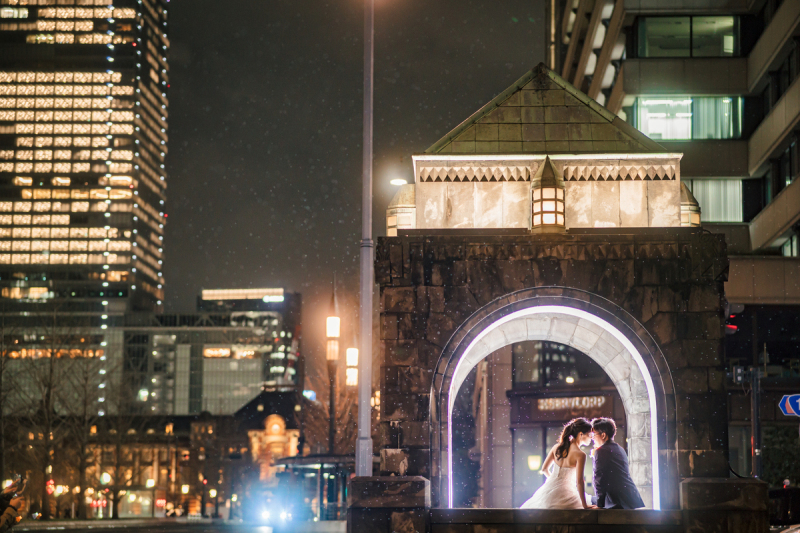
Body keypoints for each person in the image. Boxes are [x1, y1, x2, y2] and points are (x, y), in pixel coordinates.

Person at [521, 418, 597, 509]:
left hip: (547, 493)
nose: (591, 438)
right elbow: (580, 482)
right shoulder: (580, 455)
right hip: (565, 495)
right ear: (581, 434)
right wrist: (584, 505)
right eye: (590, 434)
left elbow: (544, 469)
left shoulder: (556, 447)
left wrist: (555, 482)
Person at [590, 417, 645, 509]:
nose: (593, 438)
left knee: (586, 501)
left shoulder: (601, 451)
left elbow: (599, 479)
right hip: (630, 499)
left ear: (603, 435)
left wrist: (600, 504)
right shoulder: (620, 449)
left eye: (594, 435)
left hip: (616, 501)